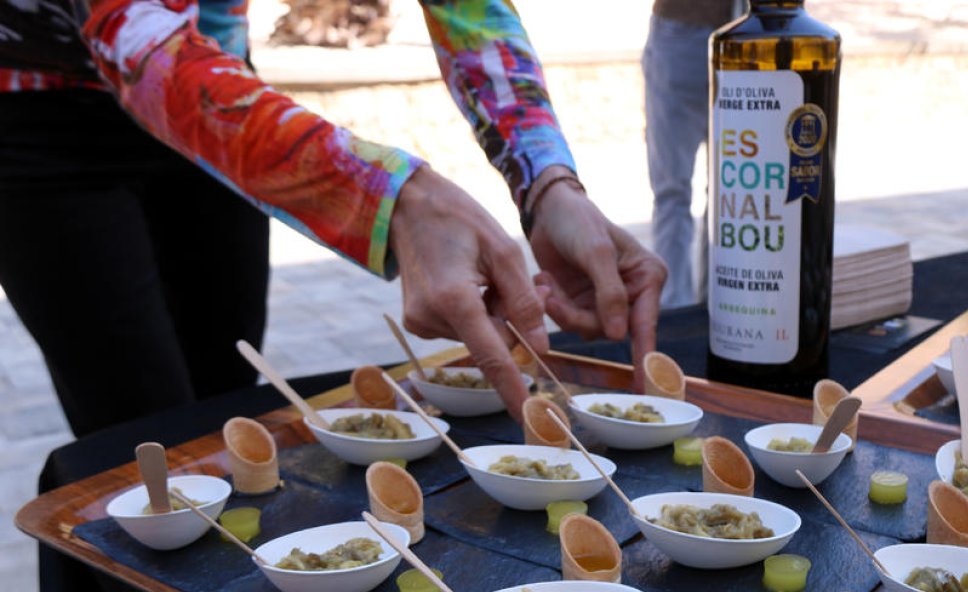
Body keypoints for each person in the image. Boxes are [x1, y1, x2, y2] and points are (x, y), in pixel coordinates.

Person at [0, 0, 666, 435]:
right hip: (43, 120)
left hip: (226, 88)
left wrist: (547, 181)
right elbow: (137, 41)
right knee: (142, 435)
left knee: (223, 411)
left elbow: (467, 12)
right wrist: (397, 199)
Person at [642, 0, 739, 308]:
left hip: (715, 33)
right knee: (723, 192)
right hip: (708, 29)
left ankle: (683, 311)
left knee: (692, 192)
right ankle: (699, 307)